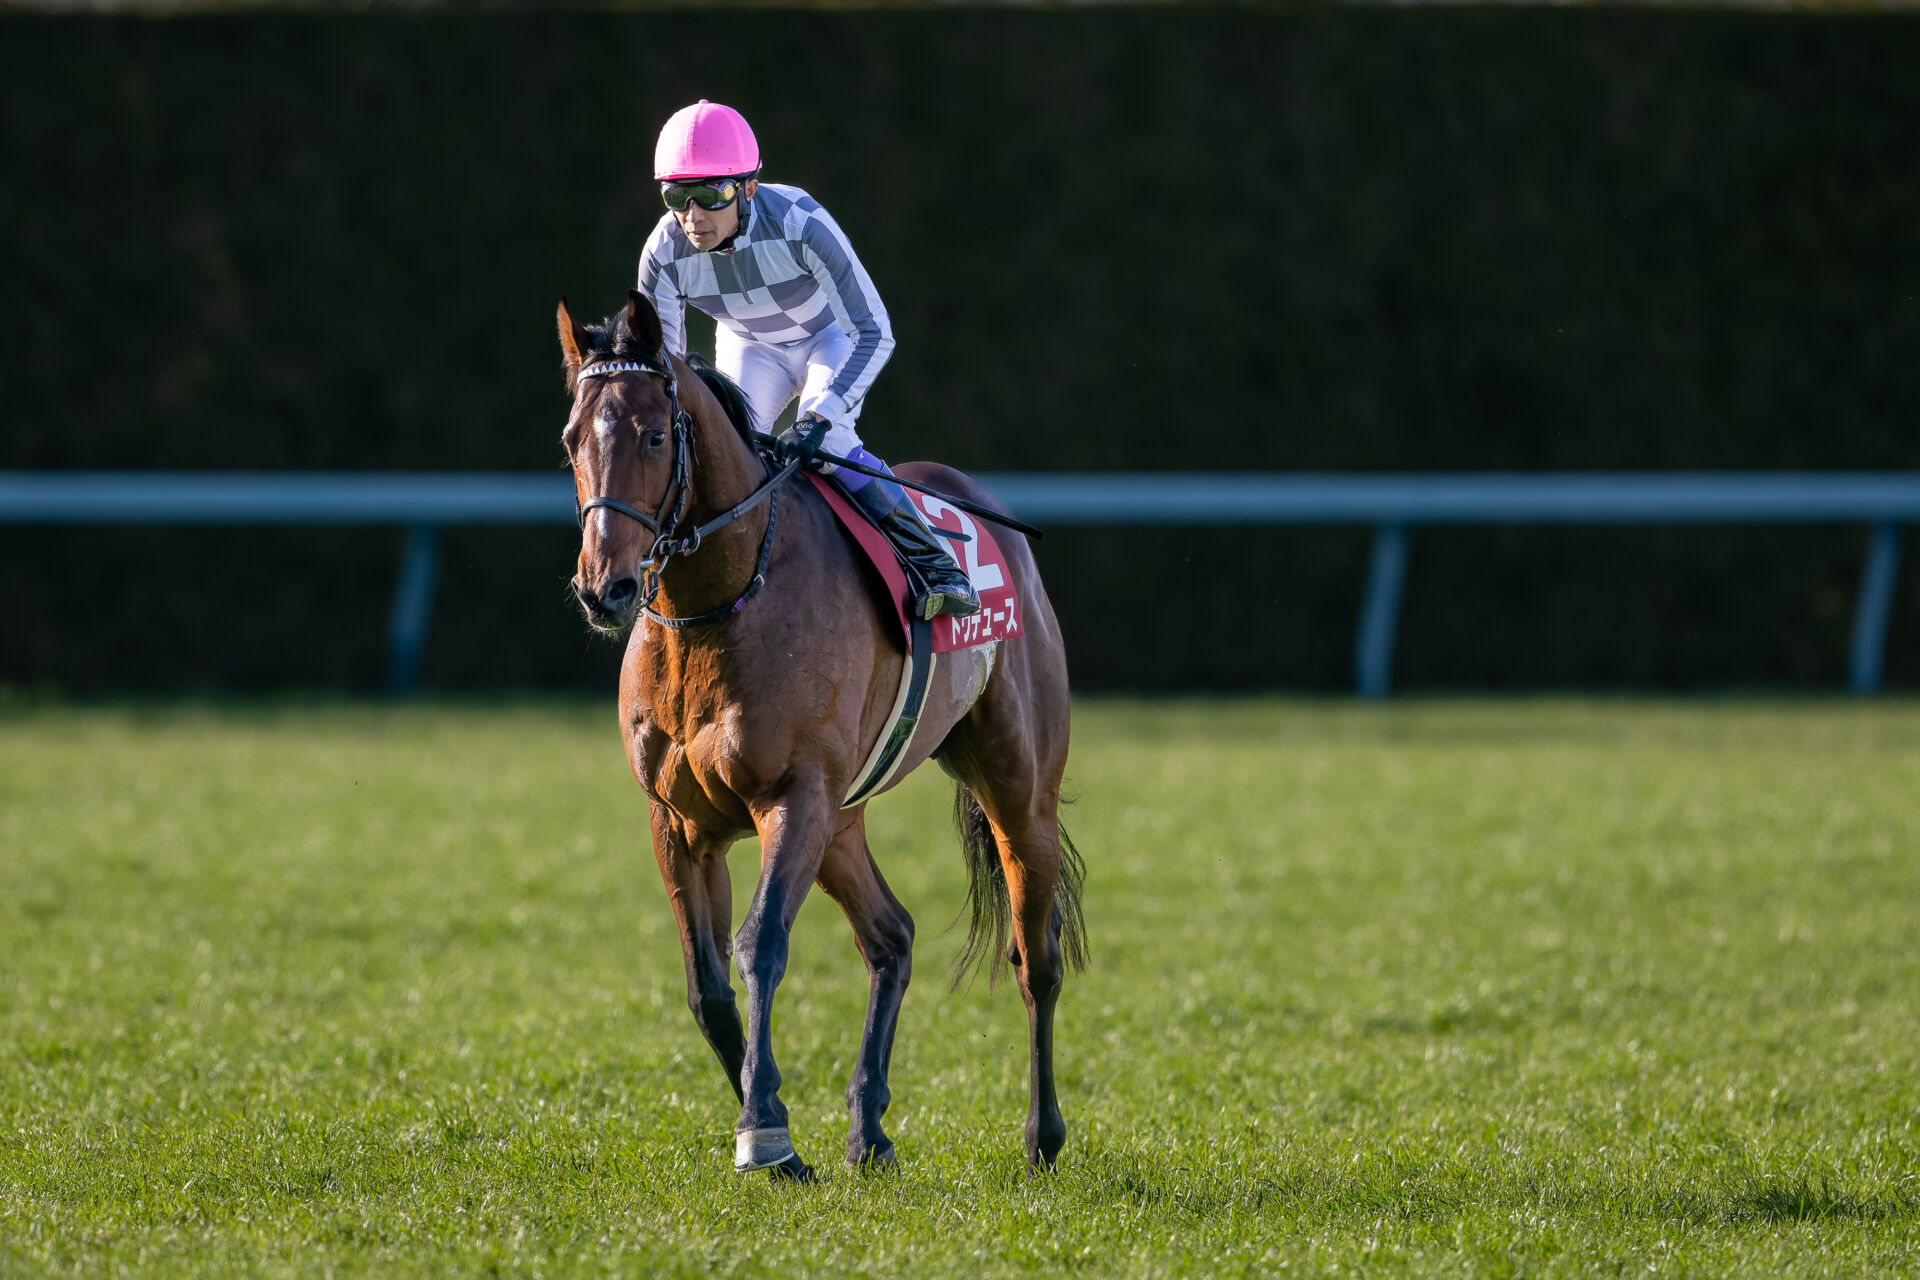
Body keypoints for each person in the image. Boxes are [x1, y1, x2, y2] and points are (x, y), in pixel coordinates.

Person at [637, 99, 979, 621]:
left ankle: (937, 564)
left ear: (749, 187)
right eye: (677, 196)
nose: (693, 215)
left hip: (830, 337)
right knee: (719, 450)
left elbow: (875, 332)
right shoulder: (662, 253)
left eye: (710, 193)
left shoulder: (800, 222)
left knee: (830, 442)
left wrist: (821, 417)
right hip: (749, 345)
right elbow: (668, 371)